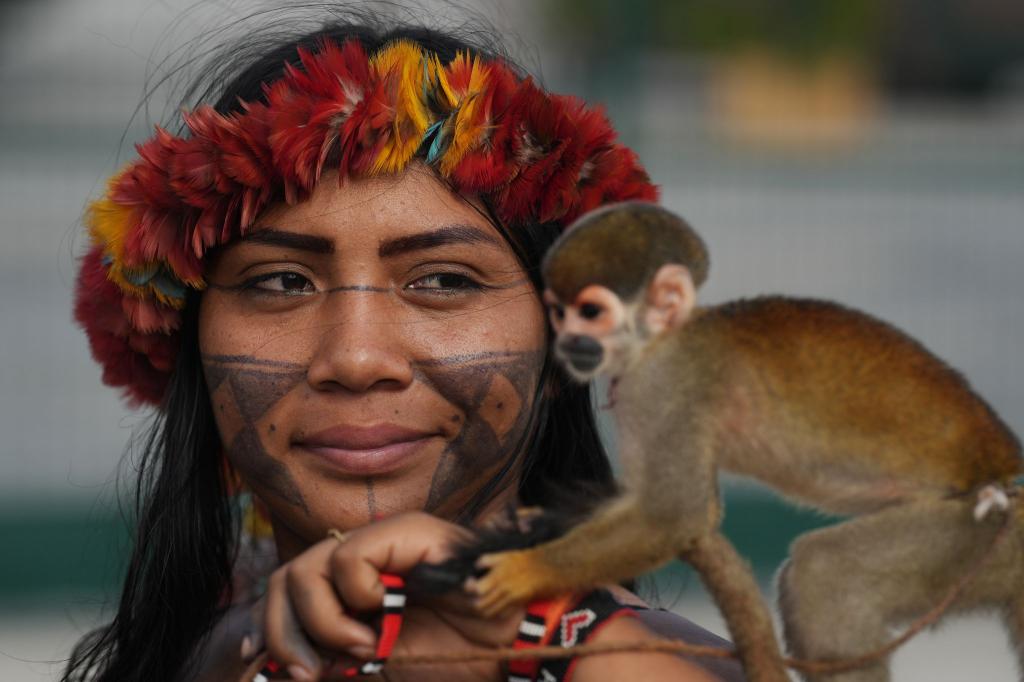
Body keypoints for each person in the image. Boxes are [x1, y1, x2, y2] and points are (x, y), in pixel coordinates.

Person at [66, 10, 745, 682]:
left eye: (445, 280)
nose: (357, 360)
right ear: (193, 344)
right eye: (279, 282)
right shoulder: (199, 657)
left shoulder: (643, 668)